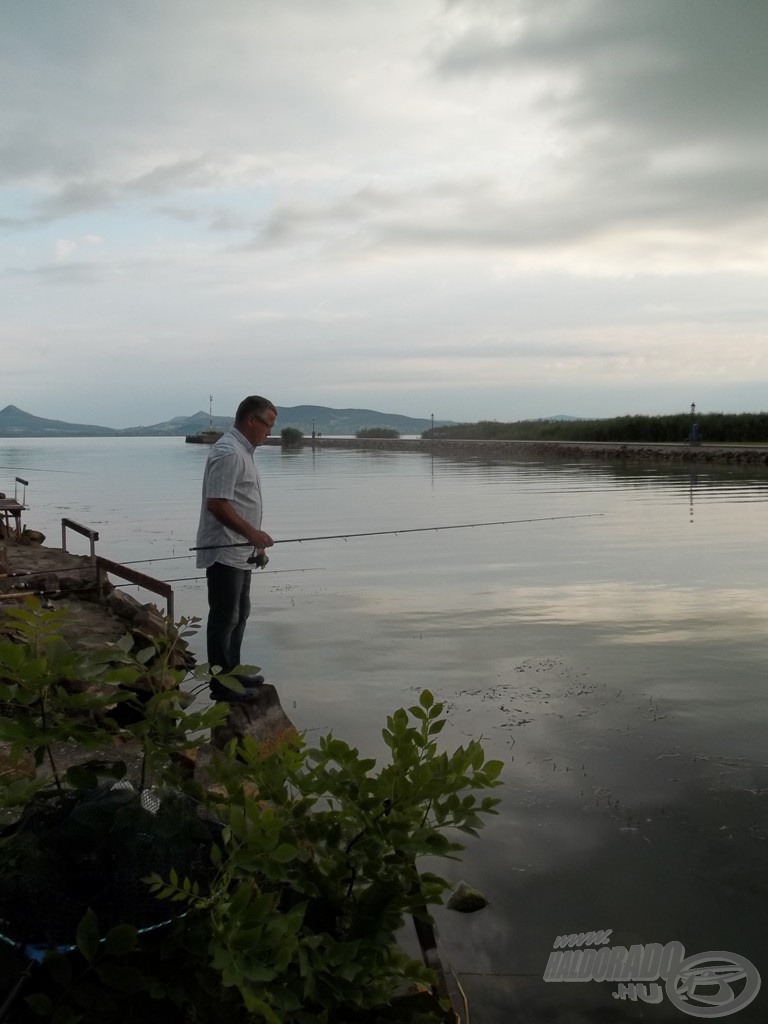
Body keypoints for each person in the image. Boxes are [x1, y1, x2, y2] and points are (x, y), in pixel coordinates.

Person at [195, 395, 277, 700]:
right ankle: (222, 686)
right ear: (251, 420)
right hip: (224, 550)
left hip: (242, 551)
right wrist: (252, 534)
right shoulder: (229, 452)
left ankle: (233, 670)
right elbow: (217, 504)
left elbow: (242, 503)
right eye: (268, 425)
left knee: (240, 614)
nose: (270, 432)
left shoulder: (244, 451)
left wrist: (257, 547)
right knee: (224, 617)